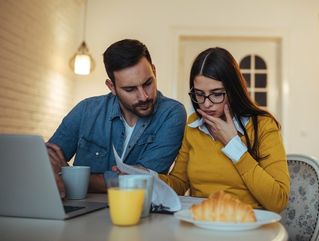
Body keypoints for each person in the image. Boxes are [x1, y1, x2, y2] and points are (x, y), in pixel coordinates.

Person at [47, 39, 186, 198]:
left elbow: (142, 181)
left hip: (140, 212)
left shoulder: (172, 114)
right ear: (111, 87)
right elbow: (46, 163)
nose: (143, 96)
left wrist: (71, 176)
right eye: (130, 89)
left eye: (148, 83)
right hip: (81, 210)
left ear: (154, 71)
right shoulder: (86, 110)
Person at [158, 47, 290, 213]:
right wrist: (150, 179)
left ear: (233, 90)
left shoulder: (263, 126)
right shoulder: (193, 125)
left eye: (217, 94)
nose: (206, 104)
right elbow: (179, 182)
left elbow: (278, 200)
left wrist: (233, 144)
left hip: (246, 224)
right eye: (199, 94)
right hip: (202, 221)